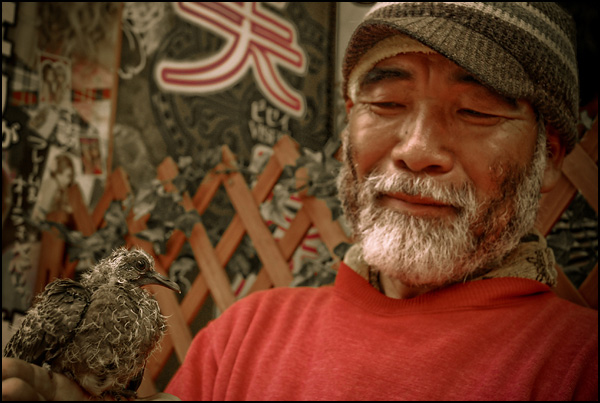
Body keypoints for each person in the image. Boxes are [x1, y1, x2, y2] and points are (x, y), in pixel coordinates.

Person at [2, 2, 597, 401]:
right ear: (349, 126)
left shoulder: (578, 364)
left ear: (547, 157)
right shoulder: (242, 337)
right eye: (386, 104)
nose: (417, 150)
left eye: (475, 111)